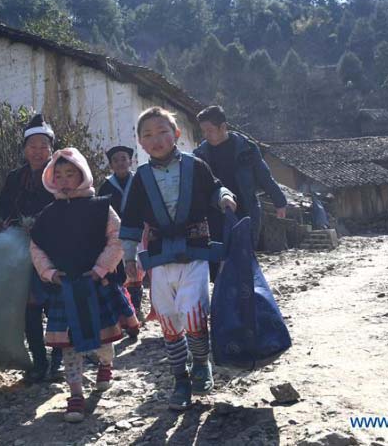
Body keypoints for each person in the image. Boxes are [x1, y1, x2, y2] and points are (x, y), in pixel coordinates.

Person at [119, 107, 236, 411]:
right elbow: (130, 221)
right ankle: (179, 380)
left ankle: (200, 363)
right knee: (169, 321)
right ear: (140, 143)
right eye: (147, 135)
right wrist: (129, 260)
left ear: (177, 135)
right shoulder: (141, 178)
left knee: (195, 314)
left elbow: (214, 188)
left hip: (195, 252)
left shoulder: (196, 166)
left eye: (162, 132)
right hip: (159, 259)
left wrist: (223, 197)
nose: (156, 139)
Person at [30, 148, 138, 422]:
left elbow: (117, 238)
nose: (65, 180)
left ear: (83, 175)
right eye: (60, 175)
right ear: (52, 178)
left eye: (71, 174)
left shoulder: (101, 207)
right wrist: (50, 273)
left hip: (96, 284)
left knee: (101, 336)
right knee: (69, 345)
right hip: (65, 288)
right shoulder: (48, 215)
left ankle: (105, 363)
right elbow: (37, 246)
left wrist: (100, 269)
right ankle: (75, 395)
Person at [0, 113, 61, 382]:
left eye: (44, 146)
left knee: (56, 305)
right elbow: (3, 206)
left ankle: (58, 359)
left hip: (55, 248)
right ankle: (38, 361)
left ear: (51, 148)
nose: (38, 151)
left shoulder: (59, 173)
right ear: (24, 149)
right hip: (21, 250)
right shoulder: (14, 178)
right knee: (29, 305)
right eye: (32, 146)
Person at [193, 105, 287, 255]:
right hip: (216, 214)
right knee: (221, 258)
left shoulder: (247, 148)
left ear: (223, 127)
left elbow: (264, 176)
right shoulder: (200, 154)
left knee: (245, 255)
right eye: (203, 131)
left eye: (209, 130)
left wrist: (279, 202)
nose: (206, 135)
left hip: (246, 211)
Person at [98, 145, 145, 336]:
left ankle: (137, 308)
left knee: (138, 270)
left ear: (131, 161)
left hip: (139, 230)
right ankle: (125, 313)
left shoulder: (140, 180)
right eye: (116, 160)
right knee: (120, 271)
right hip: (116, 234)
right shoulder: (106, 185)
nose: (120, 163)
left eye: (123, 158)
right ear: (111, 165)